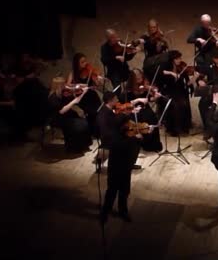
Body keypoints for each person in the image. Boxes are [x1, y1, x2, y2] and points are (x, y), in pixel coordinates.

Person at [98, 92, 145, 223]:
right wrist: (133, 136)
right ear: (110, 100)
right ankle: (105, 212)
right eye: (116, 99)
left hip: (124, 154)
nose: (118, 102)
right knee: (113, 187)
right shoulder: (104, 116)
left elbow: (118, 125)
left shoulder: (110, 113)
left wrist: (128, 116)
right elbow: (112, 134)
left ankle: (122, 210)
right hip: (117, 155)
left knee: (124, 186)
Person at [47, 77, 93, 151]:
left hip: (65, 115)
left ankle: (83, 144)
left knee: (83, 121)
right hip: (57, 118)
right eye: (63, 84)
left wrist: (77, 90)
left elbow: (69, 97)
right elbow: (62, 111)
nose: (65, 85)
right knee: (78, 125)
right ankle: (74, 147)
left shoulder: (61, 92)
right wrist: (76, 99)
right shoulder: (53, 97)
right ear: (58, 86)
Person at [67, 53, 104, 136]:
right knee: (89, 115)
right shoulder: (73, 73)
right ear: (77, 63)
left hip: (92, 95)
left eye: (85, 61)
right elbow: (68, 85)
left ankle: (97, 133)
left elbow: (98, 84)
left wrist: (98, 79)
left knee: (97, 113)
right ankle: (90, 132)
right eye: (82, 62)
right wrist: (79, 85)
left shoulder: (89, 70)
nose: (85, 63)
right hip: (82, 97)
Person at [160, 50, 193, 136]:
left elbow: (186, 81)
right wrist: (172, 73)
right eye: (177, 59)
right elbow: (162, 73)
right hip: (170, 90)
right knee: (175, 105)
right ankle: (174, 128)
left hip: (180, 90)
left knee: (184, 104)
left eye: (180, 58)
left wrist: (192, 80)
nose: (180, 60)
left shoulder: (182, 67)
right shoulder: (167, 66)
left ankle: (184, 127)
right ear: (172, 59)